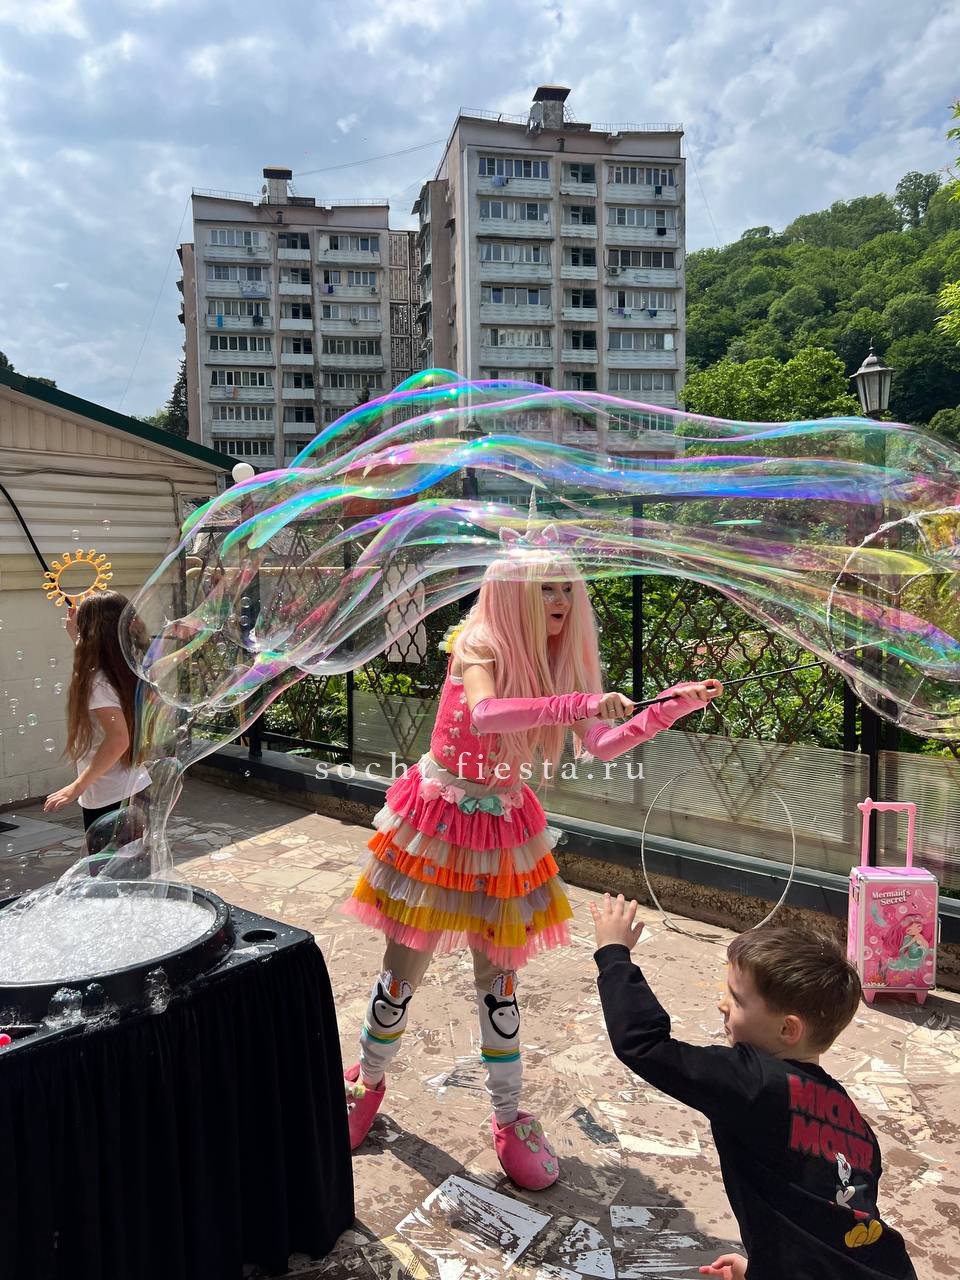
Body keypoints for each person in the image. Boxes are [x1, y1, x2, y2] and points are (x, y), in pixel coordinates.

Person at [342, 545, 722, 1189]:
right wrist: (576, 704)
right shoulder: (478, 642)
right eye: (545, 588)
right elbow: (486, 714)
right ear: (512, 592)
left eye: (566, 589)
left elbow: (603, 744)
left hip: (504, 826)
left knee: (500, 979)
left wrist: (666, 709)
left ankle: (508, 1116)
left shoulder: (555, 661)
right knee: (403, 968)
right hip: (439, 821)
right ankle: (367, 1081)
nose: (560, 600)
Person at [591, 896, 917, 1279]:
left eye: (736, 998)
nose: (722, 1004)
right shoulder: (851, 1120)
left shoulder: (753, 1081)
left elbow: (644, 1045)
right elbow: (827, 1223)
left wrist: (613, 954)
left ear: (787, 1029)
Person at [44, 591, 151, 859]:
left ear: (93, 634)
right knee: (132, 871)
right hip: (132, 787)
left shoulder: (98, 682)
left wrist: (76, 787)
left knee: (110, 876)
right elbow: (96, 661)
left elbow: (118, 739)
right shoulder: (127, 668)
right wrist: (76, 635)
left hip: (110, 797)